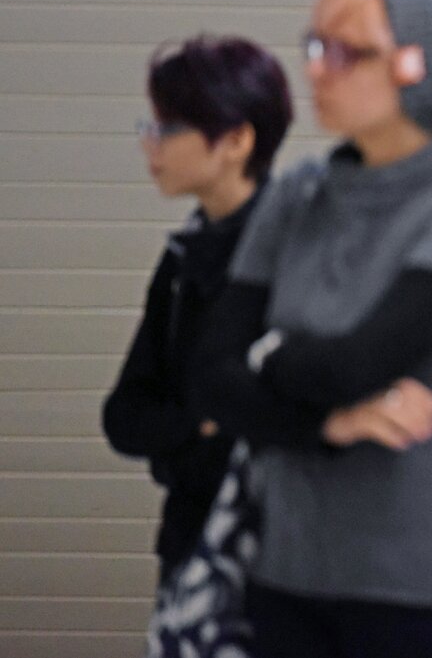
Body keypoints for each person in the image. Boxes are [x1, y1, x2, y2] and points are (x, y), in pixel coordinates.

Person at [189, 0, 432, 658]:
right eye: (315, 46)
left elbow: (352, 364)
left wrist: (266, 356)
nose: (317, 69)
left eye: (348, 51)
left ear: (419, 66)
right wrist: (329, 423)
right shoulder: (297, 197)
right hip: (285, 573)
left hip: (431, 594)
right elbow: (209, 377)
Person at [102, 35, 294, 585]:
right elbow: (124, 416)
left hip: (281, 557)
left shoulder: (296, 255)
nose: (150, 144)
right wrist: (204, 421)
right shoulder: (183, 257)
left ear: (235, 140)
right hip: (189, 541)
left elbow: (292, 417)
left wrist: (196, 425)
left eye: (167, 129)